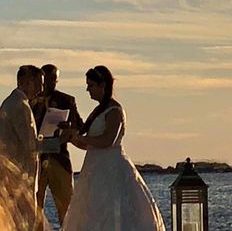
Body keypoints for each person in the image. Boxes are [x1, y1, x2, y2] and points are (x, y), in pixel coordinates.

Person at [62, 66, 166, 231]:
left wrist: (79, 136)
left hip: (111, 168)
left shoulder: (114, 111)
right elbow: (88, 144)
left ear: (102, 85)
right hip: (94, 168)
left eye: (91, 85)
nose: (87, 89)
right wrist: (71, 137)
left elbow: (107, 141)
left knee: (112, 210)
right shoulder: (98, 110)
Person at [30, 64, 83, 228]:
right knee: (34, 205)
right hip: (35, 159)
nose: (51, 83)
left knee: (66, 205)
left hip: (58, 158)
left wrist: (68, 127)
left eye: (55, 80)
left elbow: (80, 126)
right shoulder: (29, 100)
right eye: (49, 79)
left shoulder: (66, 100)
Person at [0, 65, 44, 230]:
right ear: (27, 82)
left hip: (9, 175)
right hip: (19, 175)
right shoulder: (20, 106)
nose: (40, 90)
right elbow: (30, 145)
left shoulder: (11, 102)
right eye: (39, 84)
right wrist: (58, 141)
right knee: (23, 221)